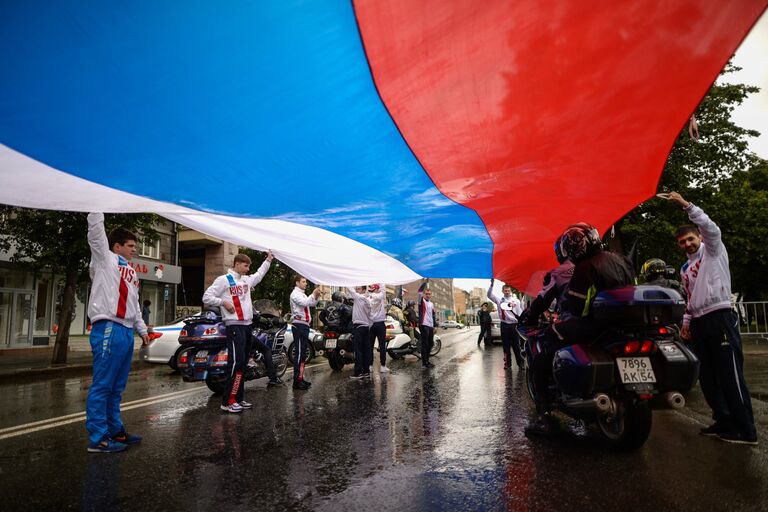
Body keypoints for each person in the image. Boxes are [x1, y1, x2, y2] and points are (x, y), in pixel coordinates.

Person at [665, 191, 757, 445]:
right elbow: (691, 296)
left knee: (730, 374)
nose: (687, 244)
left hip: (721, 317)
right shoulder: (685, 268)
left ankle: (746, 429)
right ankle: (724, 420)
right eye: (682, 242)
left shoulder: (713, 250)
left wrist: (686, 205)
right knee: (707, 376)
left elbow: (710, 227)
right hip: (699, 322)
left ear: (699, 236)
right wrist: (686, 323)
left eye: (690, 239)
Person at [526, 222, 634, 436]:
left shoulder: (585, 266)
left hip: (594, 324)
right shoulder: (621, 260)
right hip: (623, 323)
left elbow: (577, 306)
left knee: (544, 344)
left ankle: (544, 415)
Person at [85, 213, 149, 453]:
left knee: (116, 387)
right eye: (131, 246)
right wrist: (98, 202)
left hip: (125, 331)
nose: (135, 249)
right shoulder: (105, 259)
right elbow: (95, 231)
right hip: (109, 327)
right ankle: (98, 439)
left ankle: (115, 431)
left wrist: (142, 331)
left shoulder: (131, 272)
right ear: (116, 246)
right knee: (103, 385)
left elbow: (134, 305)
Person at [203, 252, 279, 414]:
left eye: (249, 266)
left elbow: (259, 274)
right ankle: (228, 401)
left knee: (243, 363)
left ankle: (238, 398)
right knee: (236, 363)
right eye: (246, 265)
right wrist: (223, 302)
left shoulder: (245, 280)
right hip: (234, 326)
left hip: (246, 326)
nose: (248, 268)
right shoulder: (224, 280)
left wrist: (269, 260)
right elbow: (207, 297)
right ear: (237, 264)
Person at [520, 237, 575, 326]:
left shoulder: (559, 272)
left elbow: (544, 298)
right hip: (597, 323)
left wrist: (531, 315)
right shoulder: (588, 265)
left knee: (545, 337)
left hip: (572, 322)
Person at [290, 276, 322, 390]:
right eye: (303, 282)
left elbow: (311, 304)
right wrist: (313, 294)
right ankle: (296, 381)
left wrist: (316, 297)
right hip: (298, 325)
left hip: (304, 325)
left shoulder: (302, 294)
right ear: (297, 282)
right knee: (299, 353)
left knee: (302, 353)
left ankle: (300, 378)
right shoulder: (295, 294)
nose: (305, 284)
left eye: (306, 282)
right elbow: (304, 303)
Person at [487, 280, 523, 369]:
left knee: (516, 346)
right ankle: (507, 363)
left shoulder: (516, 301)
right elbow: (489, 295)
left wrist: (521, 323)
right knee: (506, 346)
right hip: (504, 325)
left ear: (510, 291)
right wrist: (492, 285)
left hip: (514, 325)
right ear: (502, 291)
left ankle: (520, 363)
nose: (507, 292)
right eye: (505, 290)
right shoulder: (499, 300)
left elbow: (520, 313)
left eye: (508, 290)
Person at [347, 285, 372, 379]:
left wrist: (346, 280)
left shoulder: (358, 297)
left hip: (358, 326)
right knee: (366, 350)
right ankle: (366, 371)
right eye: (356, 289)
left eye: (358, 289)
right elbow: (370, 316)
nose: (356, 291)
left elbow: (350, 289)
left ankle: (358, 372)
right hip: (366, 327)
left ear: (363, 290)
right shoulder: (368, 301)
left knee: (358, 350)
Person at [368, 283, 389, 373]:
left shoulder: (368, 298)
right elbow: (383, 290)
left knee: (370, 346)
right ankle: (383, 366)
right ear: (377, 289)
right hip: (380, 323)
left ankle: (370, 365)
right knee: (382, 346)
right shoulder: (379, 296)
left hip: (371, 324)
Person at [418, 281, 437, 368]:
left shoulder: (432, 304)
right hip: (423, 324)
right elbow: (419, 292)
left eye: (429, 294)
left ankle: (427, 360)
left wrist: (435, 326)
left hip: (430, 326)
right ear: (424, 294)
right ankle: (424, 363)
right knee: (424, 344)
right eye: (426, 293)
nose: (428, 295)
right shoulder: (421, 302)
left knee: (430, 344)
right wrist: (424, 283)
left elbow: (433, 315)